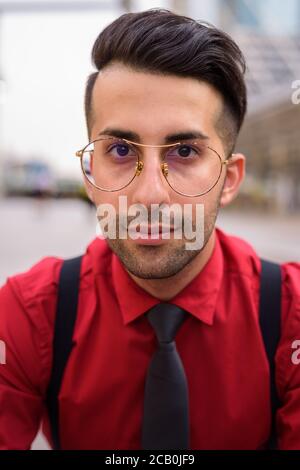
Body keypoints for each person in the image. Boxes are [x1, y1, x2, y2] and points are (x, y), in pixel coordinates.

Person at [0, 8, 299, 451]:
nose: (149, 195)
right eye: (120, 149)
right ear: (89, 174)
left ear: (230, 179)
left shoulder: (289, 315)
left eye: (184, 151)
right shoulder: (30, 314)